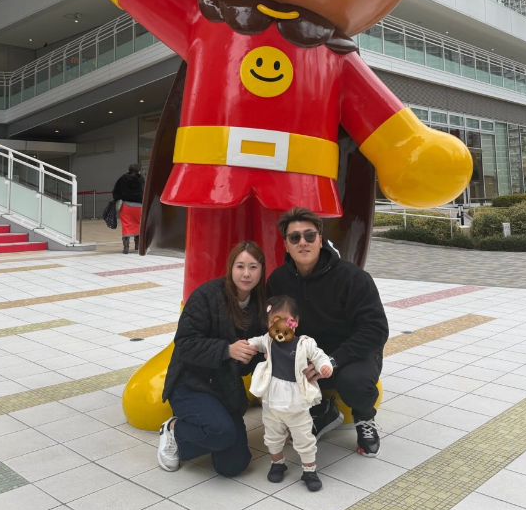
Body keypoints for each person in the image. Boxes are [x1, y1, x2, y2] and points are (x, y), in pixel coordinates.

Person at [267, 207, 389, 457]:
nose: (303, 242)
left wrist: (333, 360)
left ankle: (364, 418)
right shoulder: (279, 280)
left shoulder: (353, 278)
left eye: (310, 236)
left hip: (351, 355)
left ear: (320, 240)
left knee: (355, 382)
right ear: (286, 244)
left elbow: (375, 329)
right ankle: (322, 411)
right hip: (309, 355)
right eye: (295, 237)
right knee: (269, 365)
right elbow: (274, 324)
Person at [157, 241, 265, 476]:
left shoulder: (259, 305)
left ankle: (213, 433)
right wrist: (227, 350)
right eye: (240, 266)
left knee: (233, 465)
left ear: (261, 270)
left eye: (253, 267)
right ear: (231, 267)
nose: (246, 274)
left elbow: (251, 361)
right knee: (221, 433)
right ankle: (174, 430)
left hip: (226, 387)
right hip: (191, 383)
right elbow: (184, 344)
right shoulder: (206, 295)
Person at [248, 294, 332, 492]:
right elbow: (255, 342)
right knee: (272, 436)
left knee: (304, 437)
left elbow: (319, 355)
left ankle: (309, 470)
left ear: (296, 321)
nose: (280, 326)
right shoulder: (268, 340)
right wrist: (249, 345)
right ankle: (278, 464)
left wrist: (325, 365)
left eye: (285, 320)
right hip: (272, 402)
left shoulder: (304, 343)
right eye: (273, 321)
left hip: (297, 402)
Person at [112, 164, 145, 254]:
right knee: (138, 224)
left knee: (126, 225)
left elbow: (115, 191)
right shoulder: (141, 179)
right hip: (139, 206)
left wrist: (118, 198)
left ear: (129, 170)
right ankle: (137, 246)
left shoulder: (123, 178)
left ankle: (126, 247)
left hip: (126, 205)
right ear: (139, 170)